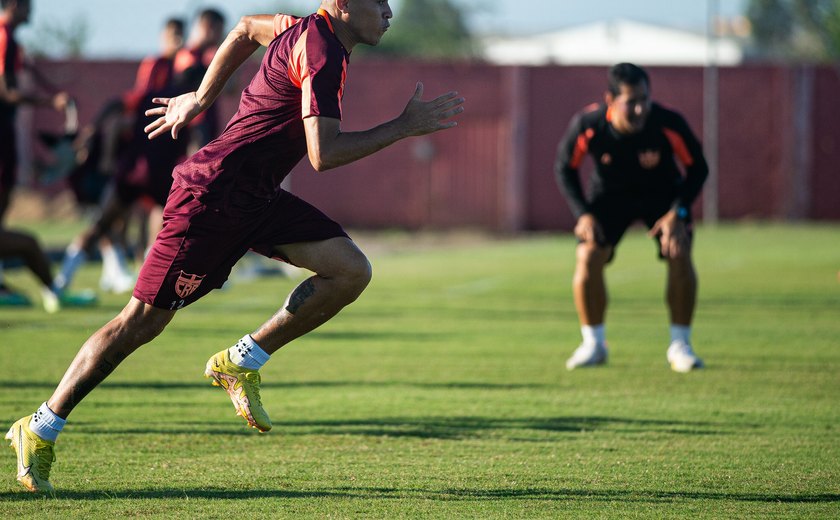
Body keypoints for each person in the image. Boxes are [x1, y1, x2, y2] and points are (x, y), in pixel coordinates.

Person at [5, 0, 464, 493]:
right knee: (140, 323)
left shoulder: (302, 28)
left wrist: (200, 98)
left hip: (257, 199)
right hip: (211, 199)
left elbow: (245, 28)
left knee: (350, 270)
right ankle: (39, 426)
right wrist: (402, 126)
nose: (390, 11)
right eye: (379, 1)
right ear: (345, 5)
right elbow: (323, 154)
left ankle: (241, 361)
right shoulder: (321, 52)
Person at [554, 62, 708, 373]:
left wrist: (678, 213)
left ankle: (681, 345)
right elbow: (564, 167)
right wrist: (583, 214)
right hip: (610, 198)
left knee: (679, 251)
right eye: (631, 102)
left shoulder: (667, 122)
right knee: (588, 254)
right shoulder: (590, 124)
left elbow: (698, 168)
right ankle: (594, 344)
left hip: (662, 197)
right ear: (610, 100)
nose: (640, 109)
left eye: (644, 99)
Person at [54, 18, 187, 295]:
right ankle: (66, 281)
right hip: (145, 171)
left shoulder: (178, 99)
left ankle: (64, 282)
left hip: (145, 171)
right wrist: (94, 131)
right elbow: (118, 107)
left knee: (140, 225)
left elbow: (117, 109)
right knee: (121, 224)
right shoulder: (159, 93)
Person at [0, 0, 69, 304]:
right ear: (15, 5)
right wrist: (49, 103)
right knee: (25, 241)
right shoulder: (5, 37)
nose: (33, 12)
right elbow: (6, 91)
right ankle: (51, 289)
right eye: (29, 6)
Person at [172, 8, 226, 153]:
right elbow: (184, 80)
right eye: (220, 30)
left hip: (207, 117)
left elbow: (230, 87)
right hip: (192, 121)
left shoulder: (209, 55)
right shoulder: (188, 54)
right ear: (208, 27)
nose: (221, 36)